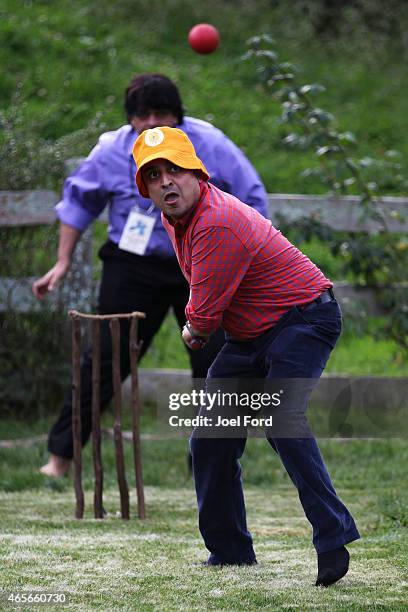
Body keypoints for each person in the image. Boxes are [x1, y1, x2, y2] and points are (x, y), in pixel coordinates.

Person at [132, 126, 360, 586]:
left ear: (197, 172)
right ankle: (230, 551)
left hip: (303, 319)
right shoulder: (173, 218)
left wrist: (192, 329)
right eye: (154, 176)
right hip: (250, 335)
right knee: (209, 438)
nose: (166, 182)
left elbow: (204, 317)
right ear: (146, 189)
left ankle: (333, 537)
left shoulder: (216, 222)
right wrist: (203, 322)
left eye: (174, 169)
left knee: (281, 420)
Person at [32, 73, 269, 477]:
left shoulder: (210, 142)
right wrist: (62, 260)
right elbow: (78, 203)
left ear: (179, 117)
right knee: (104, 359)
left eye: (164, 114)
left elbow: (252, 199)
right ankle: (60, 459)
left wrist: (247, 268)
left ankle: (213, 467)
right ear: (131, 120)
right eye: (144, 115)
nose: (154, 122)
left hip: (202, 260)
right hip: (133, 267)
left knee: (218, 365)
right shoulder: (111, 149)